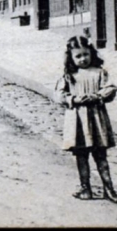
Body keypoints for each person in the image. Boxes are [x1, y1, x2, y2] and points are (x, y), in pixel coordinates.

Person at [55, 34, 117, 202]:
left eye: (85, 55)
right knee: (81, 156)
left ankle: (109, 188)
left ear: (92, 53)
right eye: (78, 56)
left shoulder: (100, 73)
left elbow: (111, 88)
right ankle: (85, 188)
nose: (83, 59)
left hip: (96, 119)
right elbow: (59, 94)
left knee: (100, 155)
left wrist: (98, 96)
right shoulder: (69, 76)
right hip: (77, 122)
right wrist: (73, 99)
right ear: (71, 58)